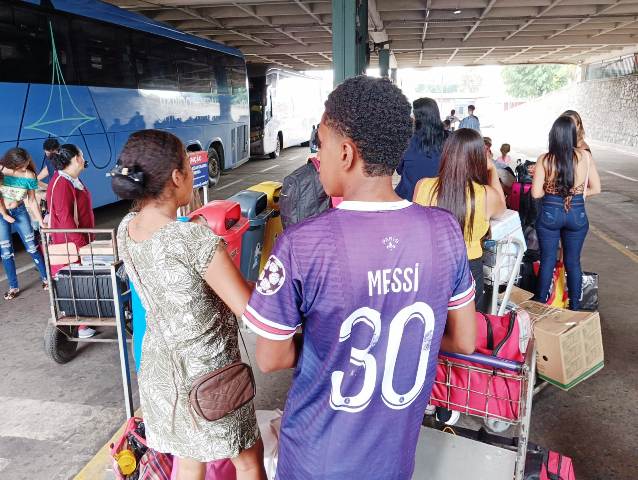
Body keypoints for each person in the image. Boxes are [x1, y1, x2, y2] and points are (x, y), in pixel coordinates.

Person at [242, 76, 476, 480]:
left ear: (346, 152)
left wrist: (330, 343)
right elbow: (464, 339)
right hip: (393, 461)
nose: (318, 155)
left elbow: (270, 357)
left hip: (316, 460)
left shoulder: (303, 243)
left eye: (321, 142)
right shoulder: (445, 231)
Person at [112, 130, 266, 480]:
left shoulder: (126, 229)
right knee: (248, 458)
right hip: (209, 377)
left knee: (188, 456)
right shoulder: (191, 238)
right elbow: (247, 307)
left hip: (161, 374)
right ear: (177, 177)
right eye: (187, 163)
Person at [413, 128, 506, 311]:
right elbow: (501, 207)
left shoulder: (423, 186)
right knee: (467, 332)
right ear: (479, 158)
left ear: (447, 153)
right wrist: (492, 170)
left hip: (431, 267)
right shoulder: (485, 194)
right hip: (469, 269)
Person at [531, 115, 601, 310]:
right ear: (571, 135)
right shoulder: (585, 156)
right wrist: (575, 194)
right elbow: (596, 188)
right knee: (573, 262)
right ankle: (575, 307)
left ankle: (540, 305)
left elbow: (536, 193)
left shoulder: (545, 159)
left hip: (550, 214)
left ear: (553, 135)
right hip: (577, 213)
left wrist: (553, 191)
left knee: (547, 261)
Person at [46, 144, 96, 338]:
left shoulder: (69, 179)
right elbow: (66, 220)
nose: (84, 159)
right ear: (76, 158)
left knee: (79, 282)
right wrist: (82, 245)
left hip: (75, 242)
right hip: (70, 246)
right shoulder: (62, 183)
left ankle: (83, 320)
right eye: (82, 156)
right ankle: (80, 325)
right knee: (76, 284)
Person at [0, 148, 49, 299]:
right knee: (6, 252)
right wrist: (4, 215)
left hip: (20, 212)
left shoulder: (29, 175)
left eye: (26, 163)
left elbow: (32, 201)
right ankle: (13, 287)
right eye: (21, 165)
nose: (24, 167)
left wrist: (41, 221)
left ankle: (46, 279)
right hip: (1, 214)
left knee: (32, 246)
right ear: (11, 163)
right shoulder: (2, 170)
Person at [395, 97, 448, 201]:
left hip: (408, 199)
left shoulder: (406, 141)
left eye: (413, 114)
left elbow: (399, 170)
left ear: (420, 117)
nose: (411, 117)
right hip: (441, 199)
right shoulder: (451, 140)